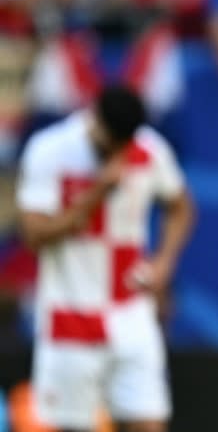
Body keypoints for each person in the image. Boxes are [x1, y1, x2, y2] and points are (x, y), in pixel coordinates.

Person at [16, 85, 194, 432]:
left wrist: (164, 262)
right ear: (93, 119)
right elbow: (34, 237)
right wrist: (96, 192)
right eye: (107, 144)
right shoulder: (50, 150)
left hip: (131, 312)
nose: (115, 153)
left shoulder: (148, 150)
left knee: (149, 421)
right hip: (70, 314)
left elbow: (181, 206)